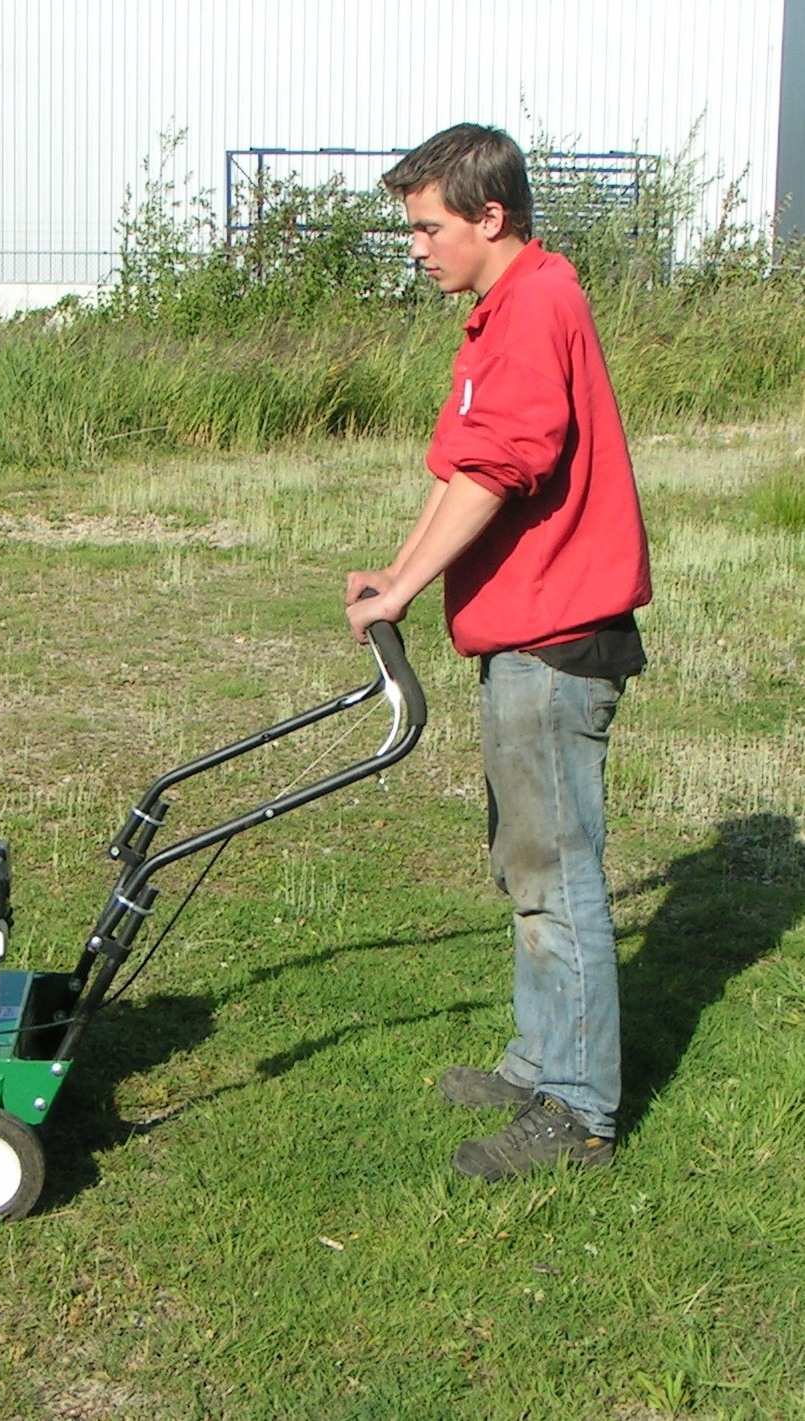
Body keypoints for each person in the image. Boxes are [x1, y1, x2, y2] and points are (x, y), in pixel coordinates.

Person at [346, 123, 651, 1182]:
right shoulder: (502, 309)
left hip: (556, 638)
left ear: (491, 215)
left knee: (556, 871)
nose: (417, 246)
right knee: (523, 861)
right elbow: (458, 468)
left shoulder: (534, 306)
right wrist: (394, 575)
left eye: (428, 226)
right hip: (523, 631)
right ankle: (539, 1063)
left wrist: (406, 586)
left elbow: (495, 472)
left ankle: (577, 1112)